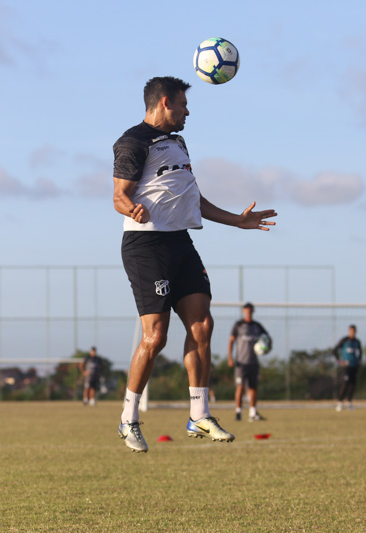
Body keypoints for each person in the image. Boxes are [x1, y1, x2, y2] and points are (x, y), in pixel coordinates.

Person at [113, 76, 277, 453]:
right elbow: (119, 196)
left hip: (180, 242)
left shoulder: (178, 142)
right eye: (184, 105)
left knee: (203, 324)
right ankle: (128, 419)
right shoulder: (133, 141)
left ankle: (199, 414)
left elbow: (193, 198)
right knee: (155, 337)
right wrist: (131, 208)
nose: (188, 111)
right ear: (166, 102)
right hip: (146, 245)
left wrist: (237, 220)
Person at [228, 302, 271, 421]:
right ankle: (238, 412)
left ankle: (252, 413)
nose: (248, 313)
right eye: (246, 311)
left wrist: (267, 349)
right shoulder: (238, 325)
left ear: (253, 312)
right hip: (241, 363)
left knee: (253, 387)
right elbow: (231, 341)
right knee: (240, 387)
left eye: (250, 311)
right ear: (243, 311)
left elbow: (268, 339)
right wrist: (230, 358)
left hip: (253, 362)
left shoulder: (257, 326)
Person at [333, 324, 363, 411]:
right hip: (346, 366)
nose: (352, 333)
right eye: (351, 331)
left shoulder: (357, 342)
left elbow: (360, 353)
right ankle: (340, 402)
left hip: (354, 365)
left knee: (352, 384)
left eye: (353, 331)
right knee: (345, 383)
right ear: (348, 331)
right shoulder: (344, 340)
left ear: (355, 332)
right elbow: (334, 351)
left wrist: (359, 362)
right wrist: (339, 361)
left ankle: (349, 402)